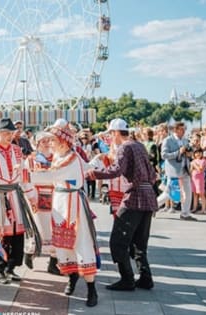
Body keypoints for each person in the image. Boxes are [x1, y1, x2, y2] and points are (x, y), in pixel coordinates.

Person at [31, 119, 99, 307]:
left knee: (81, 243)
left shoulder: (71, 159)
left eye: (53, 140)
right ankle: (72, 277)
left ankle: (92, 290)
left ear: (63, 141)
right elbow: (88, 167)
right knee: (63, 245)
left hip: (73, 204)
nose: (50, 144)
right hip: (60, 203)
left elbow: (51, 176)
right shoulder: (61, 157)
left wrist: (25, 175)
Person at [87, 118, 157, 291]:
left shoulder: (124, 147)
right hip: (148, 195)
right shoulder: (139, 145)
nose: (110, 138)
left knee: (117, 241)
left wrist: (94, 174)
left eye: (111, 134)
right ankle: (146, 278)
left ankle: (127, 279)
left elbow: (116, 170)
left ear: (116, 133)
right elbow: (152, 173)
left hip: (134, 196)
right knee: (139, 243)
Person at [0, 117, 38, 285]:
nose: (9, 136)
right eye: (5, 133)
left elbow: (24, 176)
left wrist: (32, 197)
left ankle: (11, 267)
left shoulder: (18, 151)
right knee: (0, 233)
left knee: (17, 233)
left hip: (15, 194)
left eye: (11, 133)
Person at [24, 131, 60, 275]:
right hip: (37, 197)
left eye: (48, 140)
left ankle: (53, 263)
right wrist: (30, 196)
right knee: (38, 228)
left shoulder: (57, 158)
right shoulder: (31, 160)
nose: (46, 144)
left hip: (55, 197)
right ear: (37, 144)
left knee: (55, 230)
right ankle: (29, 253)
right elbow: (25, 178)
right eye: (42, 141)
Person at [161, 122, 196, 221]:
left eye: (184, 129)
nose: (183, 131)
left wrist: (189, 154)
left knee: (188, 192)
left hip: (185, 169)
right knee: (169, 193)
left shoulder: (185, 140)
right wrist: (178, 152)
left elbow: (189, 153)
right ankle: (152, 207)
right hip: (174, 171)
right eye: (181, 129)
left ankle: (185, 214)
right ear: (175, 130)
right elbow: (164, 155)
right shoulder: (168, 140)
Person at [191, 148, 206, 214]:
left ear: (202, 153)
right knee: (195, 194)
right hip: (193, 179)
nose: (198, 154)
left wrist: (194, 164)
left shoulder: (203, 160)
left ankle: (204, 209)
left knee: (201, 194)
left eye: (199, 152)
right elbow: (191, 170)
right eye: (196, 153)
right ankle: (194, 208)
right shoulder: (194, 161)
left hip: (199, 180)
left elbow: (200, 169)